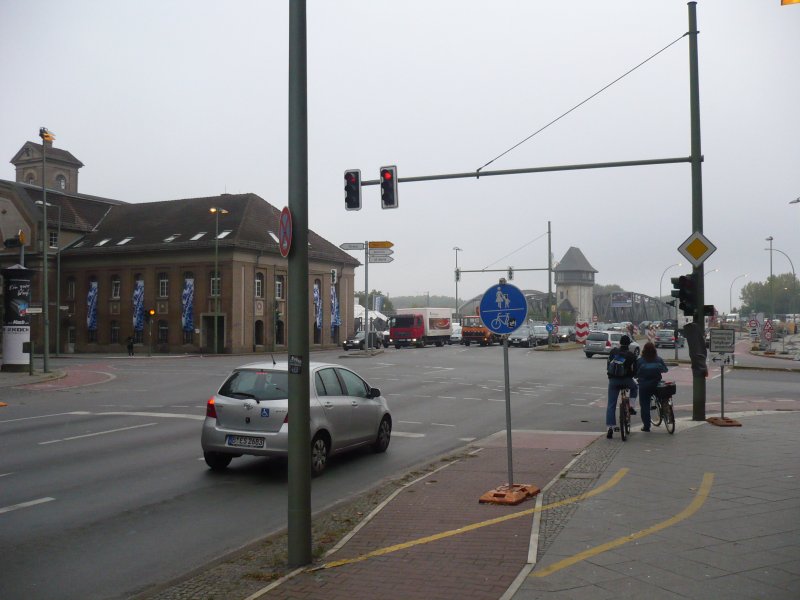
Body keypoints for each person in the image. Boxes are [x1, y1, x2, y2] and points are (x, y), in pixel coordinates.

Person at [606, 334, 639, 439]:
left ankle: (610, 427)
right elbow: (635, 370)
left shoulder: (613, 352)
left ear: (620, 343)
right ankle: (632, 407)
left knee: (611, 404)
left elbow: (608, 365)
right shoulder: (631, 355)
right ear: (629, 344)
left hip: (613, 381)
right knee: (634, 388)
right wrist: (632, 376)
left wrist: (610, 376)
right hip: (626, 380)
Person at [636, 341, 669, 432]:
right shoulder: (658, 359)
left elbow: (635, 373)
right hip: (657, 385)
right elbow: (665, 370)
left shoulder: (640, 361)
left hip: (644, 386)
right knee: (663, 398)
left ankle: (647, 426)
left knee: (645, 405)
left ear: (644, 350)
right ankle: (666, 411)